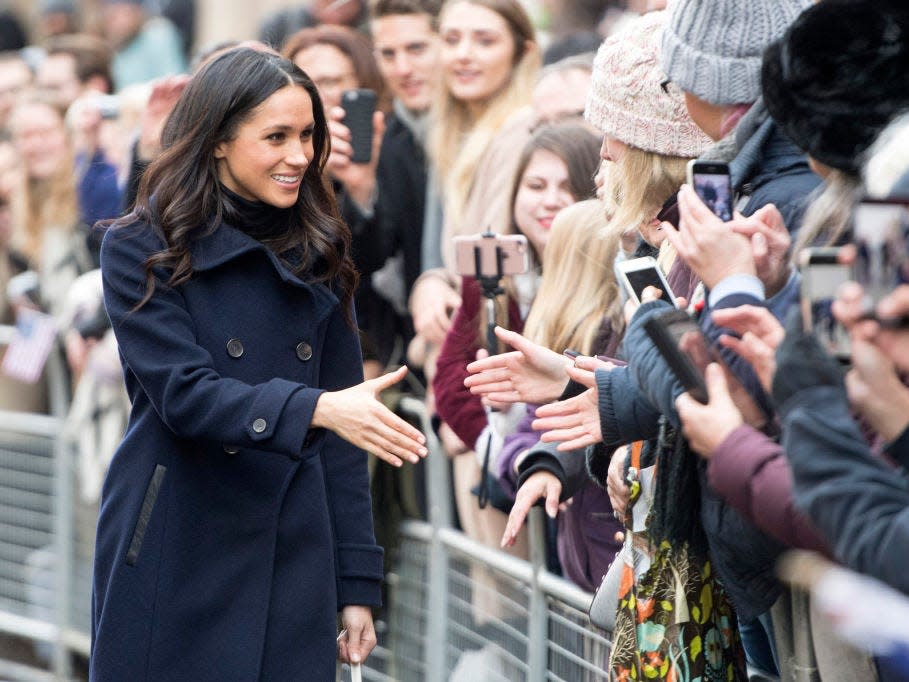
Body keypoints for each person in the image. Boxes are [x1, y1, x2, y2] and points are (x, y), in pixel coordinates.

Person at [90, 48, 427, 680]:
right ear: (217, 140)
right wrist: (315, 409)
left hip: (291, 551)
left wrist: (355, 582)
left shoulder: (321, 243)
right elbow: (185, 395)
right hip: (175, 537)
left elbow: (343, 445)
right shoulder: (140, 244)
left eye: (307, 135)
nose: (299, 156)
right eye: (276, 137)